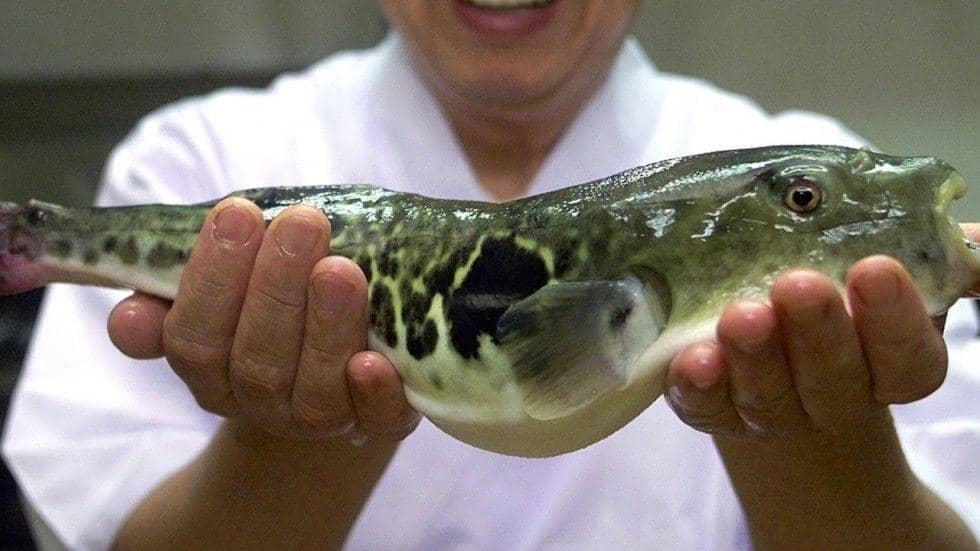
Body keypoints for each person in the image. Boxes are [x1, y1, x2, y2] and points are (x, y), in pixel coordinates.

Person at [4, 1, 979, 549]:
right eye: (803, 203)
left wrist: (812, 422)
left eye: (801, 204)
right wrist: (303, 421)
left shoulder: (812, 171)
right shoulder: (196, 158)